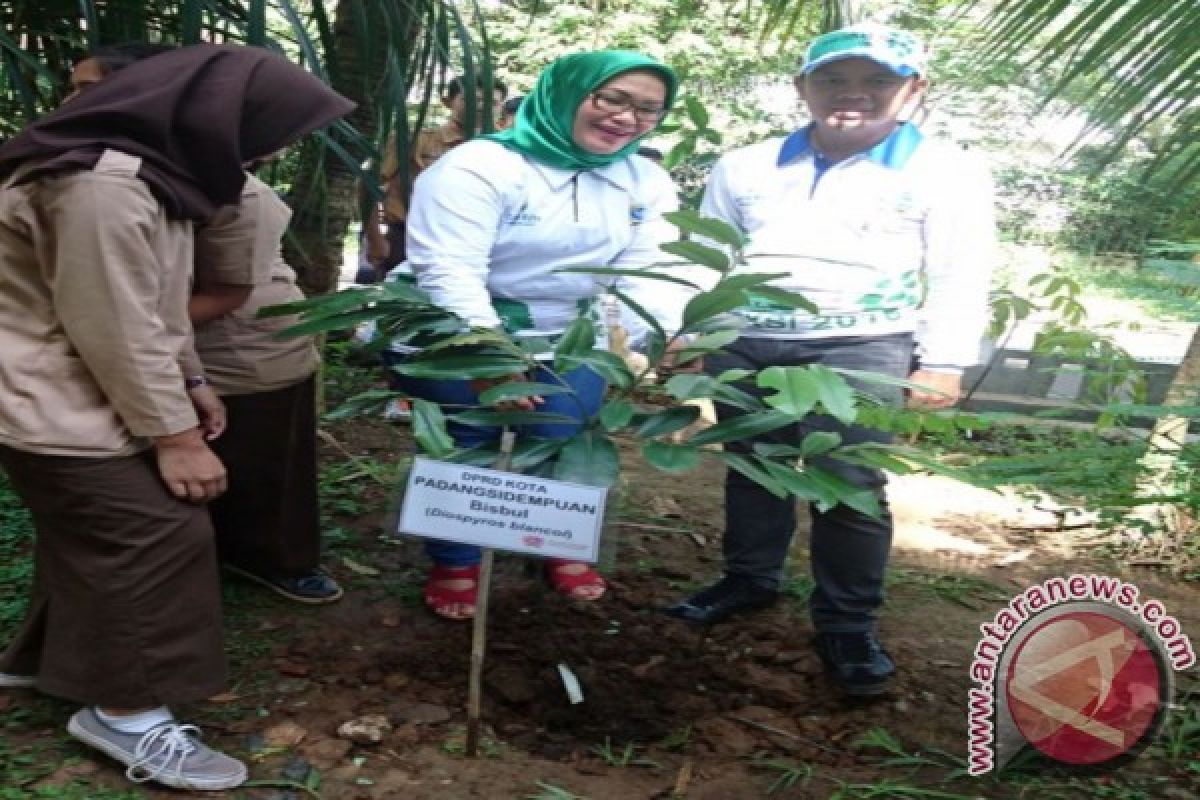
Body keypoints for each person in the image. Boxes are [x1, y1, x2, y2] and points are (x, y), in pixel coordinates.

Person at [0, 44, 353, 790]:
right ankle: (123, 713)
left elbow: (153, 304)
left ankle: (39, 663)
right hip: (56, 400)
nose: (283, 145)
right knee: (156, 534)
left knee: (90, 531)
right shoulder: (101, 186)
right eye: (276, 127)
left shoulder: (150, 176)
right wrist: (178, 439)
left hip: (78, 391)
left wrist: (191, 378)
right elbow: (115, 327)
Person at [665, 24, 996, 697]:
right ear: (802, 88)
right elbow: (714, 259)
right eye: (833, 80)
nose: (853, 96)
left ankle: (846, 623)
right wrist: (690, 331)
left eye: (876, 81)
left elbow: (963, 269)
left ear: (914, 90)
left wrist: (945, 360)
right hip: (746, 340)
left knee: (847, 481)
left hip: (863, 344)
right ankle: (749, 578)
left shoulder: (947, 171)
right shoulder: (747, 166)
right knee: (750, 464)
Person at [389, 49, 686, 621]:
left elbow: (652, 265)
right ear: (566, 93)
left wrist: (657, 332)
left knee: (566, 437)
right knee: (464, 442)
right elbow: (450, 269)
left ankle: (557, 543)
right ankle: (456, 559)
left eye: (648, 110)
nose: (627, 119)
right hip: (457, 328)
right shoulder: (478, 167)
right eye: (612, 99)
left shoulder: (643, 177)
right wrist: (488, 353)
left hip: (571, 333)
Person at [66, 44, 344, 605]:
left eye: (90, 88)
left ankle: (281, 562)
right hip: (185, 350)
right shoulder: (132, 175)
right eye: (73, 88)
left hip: (248, 352)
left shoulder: (240, 195)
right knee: (200, 469)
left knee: (264, 470)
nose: (74, 102)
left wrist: (122, 324)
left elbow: (226, 293)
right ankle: (210, 557)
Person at [362, 76, 509, 281]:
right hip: (411, 241)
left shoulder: (509, 149)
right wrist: (376, 239)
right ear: (447, 102)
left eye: (492, 102)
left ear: (501, 106)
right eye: (470, 100)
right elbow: (366, 184)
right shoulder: (414, 140)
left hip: (488, 243)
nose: (480, 107)